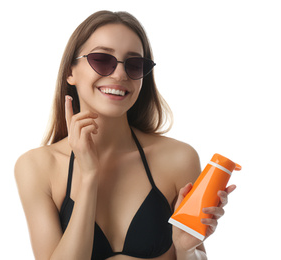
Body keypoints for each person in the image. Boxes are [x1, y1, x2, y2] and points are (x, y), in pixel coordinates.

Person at [15, 10, 236, 260]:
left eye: (134, 64)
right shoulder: (37, 167)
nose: (120, 75)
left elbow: (193, 255)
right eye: (101, 59)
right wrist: (89, 176)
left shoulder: (179, 158)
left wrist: (186, 248)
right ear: (70, 72)